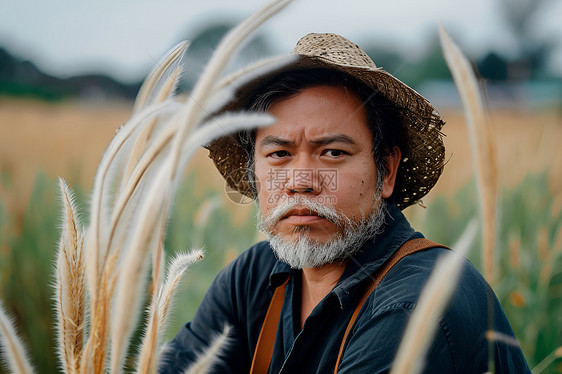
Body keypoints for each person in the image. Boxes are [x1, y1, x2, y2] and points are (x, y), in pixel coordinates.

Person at [158, 33, 530, 373]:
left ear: (386, 171)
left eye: (333, 152)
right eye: (279, 154)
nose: (300, 181)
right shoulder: (254, 279)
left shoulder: (414, 307)